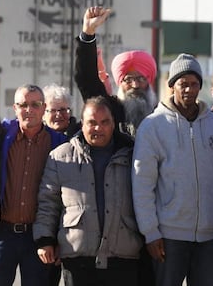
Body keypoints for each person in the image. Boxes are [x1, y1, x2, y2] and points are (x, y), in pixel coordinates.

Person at [132, 53, 213, 286]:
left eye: (194, 84)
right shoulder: (152, 126)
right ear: (171, 86)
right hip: (169, 236)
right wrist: (151, 232)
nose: (189, 90)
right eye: (183, 84)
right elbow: (143, 184)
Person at [33, 96, 142, 286]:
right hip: (78, 256)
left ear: (113, 124)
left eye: (104, 122)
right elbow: (48, 202)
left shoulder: (133, 155)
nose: (98, 128)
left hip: (123, 256)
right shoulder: (60, 156)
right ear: (82, 123)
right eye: (92, 122)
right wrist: (45, 239)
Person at [0, 83, 67, 286]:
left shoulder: (59, 143)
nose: (29, 110)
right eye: (23, 104)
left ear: (44, 108)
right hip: (1, 234)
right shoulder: (0, 135)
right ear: (14, 108)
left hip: (38, 236)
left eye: (35, 104)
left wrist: (58, 239)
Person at [75, 6, 157, 137]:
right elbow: (87, 80)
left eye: (141, 78)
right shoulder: (110, 109)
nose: (135, 85)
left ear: (149, 80)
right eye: (128, 80)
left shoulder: (162, 114)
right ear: (119, 83)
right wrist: (88, 33)